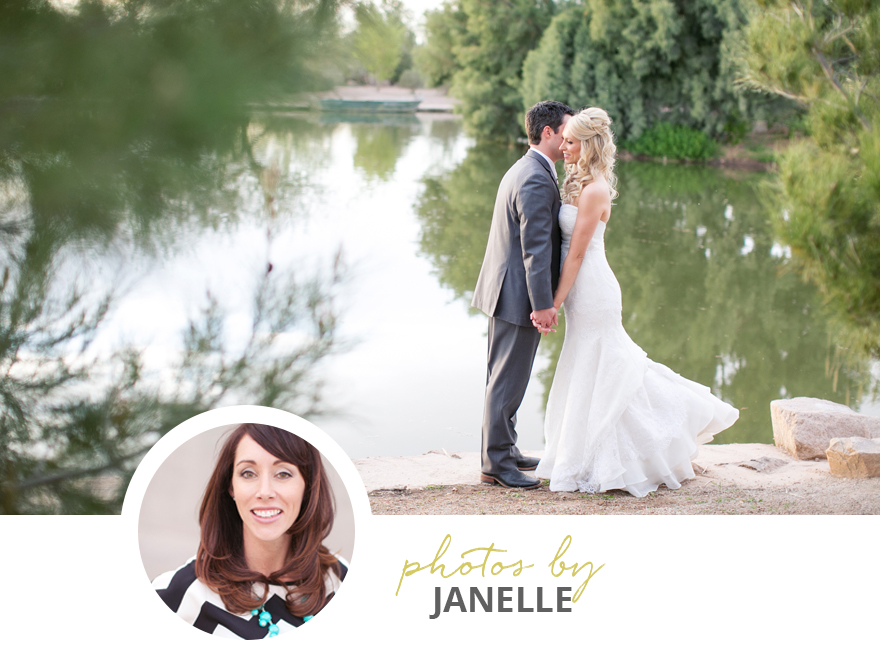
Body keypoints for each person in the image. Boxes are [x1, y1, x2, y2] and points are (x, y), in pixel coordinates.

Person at [532, 108, 739, 496]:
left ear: (589, 145)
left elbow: (575, 254)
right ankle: (580, 454)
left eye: (572, 141)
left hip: (592, 289)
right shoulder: (576, 181)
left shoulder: (595, 191)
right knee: (587, 369)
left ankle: (650, 440)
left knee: (608, 367)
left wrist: (554, 303)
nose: (564, 146)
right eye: (564, 139)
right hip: (578, 288)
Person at [152, 423, 347, 638]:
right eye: (248, 473)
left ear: (308, 485)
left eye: (283, 474)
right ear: (231, 486)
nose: (265, 492)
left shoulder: (340, 578)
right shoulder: (181, 594)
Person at [472, 100, 575, 489]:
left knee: (504, 377)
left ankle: (504, 450)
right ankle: (496, 465)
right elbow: (535, 247)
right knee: (506, 381)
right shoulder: (533, 176)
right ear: (547, 133)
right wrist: (543, 304)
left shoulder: (527, 167)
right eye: (565, 133)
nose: (568, 141)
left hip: (505, 290)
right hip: (517, 296)